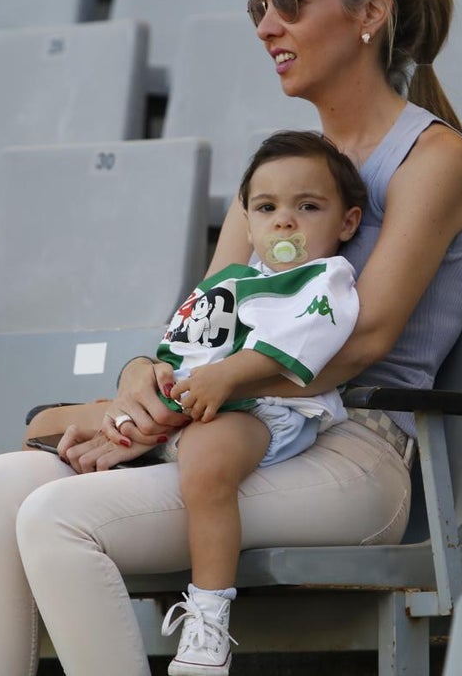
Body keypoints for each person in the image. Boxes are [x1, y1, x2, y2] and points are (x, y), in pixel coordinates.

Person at [0, 0, 462, 674]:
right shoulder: (281, 172)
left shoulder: (434, 159)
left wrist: (205, 390)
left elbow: (363, 339)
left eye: (289, 2)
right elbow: (207, 321)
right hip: (233, 431)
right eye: (259, 6)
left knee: (58, 515)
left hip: (357, 450)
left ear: (371, 12)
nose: (267, 25)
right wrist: (143, 380)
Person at [23, 130, 365, 674]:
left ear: (347, 223)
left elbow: (299, 347)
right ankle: (15, 568)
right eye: (267, 208)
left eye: (308, 207)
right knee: (44, 425)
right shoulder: (234, 281)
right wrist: (153, 383)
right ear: (247, 224)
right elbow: (185, 346)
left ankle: (208, 614)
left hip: (265, 410)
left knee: (206, 459)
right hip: (197, 401)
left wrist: (220, 379)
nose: (285, 222)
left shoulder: (325, 280)